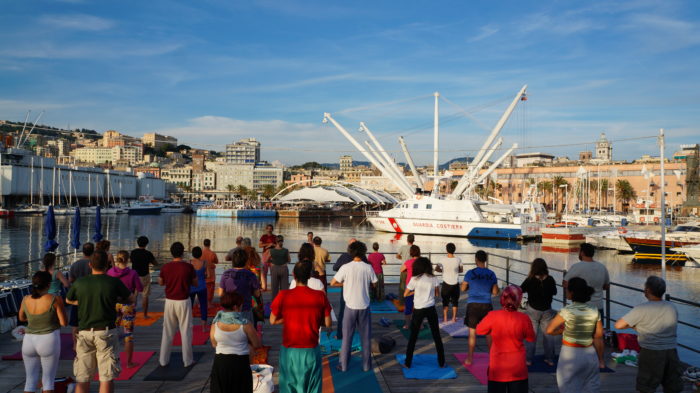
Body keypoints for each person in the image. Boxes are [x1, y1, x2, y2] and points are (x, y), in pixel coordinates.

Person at [66, 250, 133, 393]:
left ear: (90, 265)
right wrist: (117, 299)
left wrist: (83, 302)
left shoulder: (80, 282)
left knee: (83, 377)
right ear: (107, 265)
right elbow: (131, 298)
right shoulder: (113, 282)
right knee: (106, 377)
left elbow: (68, 299)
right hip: (106, 331)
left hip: (84, 332)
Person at [271, 260, 332, 393]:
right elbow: (328, 323)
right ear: (309, 276)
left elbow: (272, 320)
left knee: (288, 388)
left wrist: (288, 317)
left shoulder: (283, 295)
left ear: (293, 275)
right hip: (311, 350)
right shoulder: (320, 296)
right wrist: (315, 320)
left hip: (289, 351)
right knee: (312, 388)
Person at [614, 276, 683, 393]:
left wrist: (635, 326)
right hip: (671, 351)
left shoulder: (641, 309)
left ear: (648, 290)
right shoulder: (672, 307)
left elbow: (618, 325)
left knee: (647, 386)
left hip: (650, 351)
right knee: (672, 386)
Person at [546, 277, 604, 393]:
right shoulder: (594, 310)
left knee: (567, 386)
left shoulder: (567, 310)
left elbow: (549, 330)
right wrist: (601, 360)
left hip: (570, 353)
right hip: (590, 353)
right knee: (590, 387)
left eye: (567, 289)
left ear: (572, 293)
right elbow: (598, 335)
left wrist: (562, 330)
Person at [476, 285, 535, 393]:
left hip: (497, 368)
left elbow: (479, 330)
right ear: (519, 300)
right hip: (518, 367)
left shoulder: (492, 315)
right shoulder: (524, 318)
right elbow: (531, 338)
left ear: (502, 298)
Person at [331, 241, 377, 372]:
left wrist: (345, 284)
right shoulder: (368, 267)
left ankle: (343, 365)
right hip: (364, 306)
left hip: (350, 307)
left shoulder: (346, 267)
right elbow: (374, 283)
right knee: (365, 337)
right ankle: (366, 365)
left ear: (351, 252)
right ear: (363, 252)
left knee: (347, 338)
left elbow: (333, 283)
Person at [19, 271, 68, 393]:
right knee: (48, 381)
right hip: (48, 340)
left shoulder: (25, 299)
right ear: (48, 284)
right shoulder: (55, 299)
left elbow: (22, 318)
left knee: (30, 381)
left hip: (29, 340)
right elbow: (64, 323)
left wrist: (33, 319)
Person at [562, 242, 609, 365]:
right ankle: (601, 361)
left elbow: (565, 283)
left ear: (582, 253)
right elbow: (606, 286)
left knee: (578, 334)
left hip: (581, 306)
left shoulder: (577, 267)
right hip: (598, 306)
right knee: (598, 336)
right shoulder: (602, 267)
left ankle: (578, 360)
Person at [209, 292, 261, 393]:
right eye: (241, 305)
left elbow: (214, 343)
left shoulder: (215, 323)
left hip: (220, 363)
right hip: (240, 363)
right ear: (236, 307)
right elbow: (257, 344)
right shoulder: (245, 324)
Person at [158, 241, 198, 368]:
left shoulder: (166, 267)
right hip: (183, 301)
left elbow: (160, 282)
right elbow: (195, 283)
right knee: (186, 331)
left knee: (167, 331)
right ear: (183, 252)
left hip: (169, 301)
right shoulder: (188, 267)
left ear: (171, 253)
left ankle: (163, 360)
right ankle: (187, 360)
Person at [404, 257, 444, 368]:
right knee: (436, 335)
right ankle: (442, 362)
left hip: (418, 309)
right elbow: (437, 295)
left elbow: (405, 294)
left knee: (413, 336)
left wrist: (414, 293)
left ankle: (408, 363)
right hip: (431, 308)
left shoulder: (414, 279)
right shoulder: (433, 278)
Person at [460, 250, 499, 365]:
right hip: (487, 305)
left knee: (472, 332)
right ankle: (492, 358)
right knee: (489, 333)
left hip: (473, 305)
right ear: (486, 260)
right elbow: (495, 292)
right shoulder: (491, 274)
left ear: (476, 260)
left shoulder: (470, 273)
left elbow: (463, 289)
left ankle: (470, 358)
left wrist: (469, 287)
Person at [107, 250, 144, 369]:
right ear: (128, 260)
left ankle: (111, 360)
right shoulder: (133, 273)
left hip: (114, 305)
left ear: (116, 259)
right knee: (128, 334)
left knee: (113, 332)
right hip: (128, 305)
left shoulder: (110, 272)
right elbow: (140, 288)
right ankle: (128, 362)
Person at [520, 258, 557, 366]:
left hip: (533, 310)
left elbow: (521, 289)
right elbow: (554, 292)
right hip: (547, 310)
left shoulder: (530, 279)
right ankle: (550, 359)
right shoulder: (550, 279)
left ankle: (528, 359)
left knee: (532, 335)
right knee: (548, 335)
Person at [332, 238, 365, 339]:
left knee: (343, 311)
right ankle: (361, 334)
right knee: (360, 311)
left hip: (346, 286)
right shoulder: (363, 258)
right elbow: (369, 268)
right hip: (360, 288)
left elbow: (335, 268)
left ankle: (340, 334)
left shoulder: (344, 257)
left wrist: (343, 271)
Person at [219, 248, 262, 323]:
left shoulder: (226, 274)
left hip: (230, 311)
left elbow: (220, 294)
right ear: (245, 261)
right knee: (247, 332)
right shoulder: (250, 275)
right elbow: (257, 294)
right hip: (245, 309)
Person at [69, 242, 95, 346]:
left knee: (75, 323)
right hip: (91, 296)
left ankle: (75, 344)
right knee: (90, 321)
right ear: (93, 251)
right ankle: (89, 343)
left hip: (77, 296)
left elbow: (71, 280)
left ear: (83, 251)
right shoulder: (94, 265)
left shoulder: (75, 265)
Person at [130, 236, 157, 319]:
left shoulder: (133, 252)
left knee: (134, 295)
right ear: (146, 244)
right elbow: (155, 263)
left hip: (134, 276)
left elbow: (131, 261)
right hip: (145, 275)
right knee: (145, 295)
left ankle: (131, 312)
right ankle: (145, 315)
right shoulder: (148, 253)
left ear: (138, 243)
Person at [435, 243, 462, 322]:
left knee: (445, 301)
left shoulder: (442, 259)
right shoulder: (458, 259)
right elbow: (461, 270)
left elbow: (436, 268)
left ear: (447, 250)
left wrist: (443, 270)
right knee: (455, 302)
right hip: (455, 283)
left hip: (446, 283)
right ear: (454, 250)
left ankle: (445, 318)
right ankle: (454, 318)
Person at [399, 245, 420, 329]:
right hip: (420, 285)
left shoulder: (408, 262)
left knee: (408, 305)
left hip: (410, 285)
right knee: (418, 305)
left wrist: (408, 270)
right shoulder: (422, 262)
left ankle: (407, 324)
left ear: (411, 253)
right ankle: (419, 324)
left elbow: (401, 269)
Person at [189, 246, 209, 328]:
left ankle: (189, 325)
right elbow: (208, 275)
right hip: (202, 286)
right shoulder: (204, 263)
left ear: (193, 254)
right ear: (201, 254)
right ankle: (204, 327)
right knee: (203, 306)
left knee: (189, 306)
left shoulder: (190, 262)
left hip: (192, 287)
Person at [269, 235, 290, 300]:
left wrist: (272, 261)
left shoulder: (271, 250)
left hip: (274, 268)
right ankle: (284, 303)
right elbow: (289, 260)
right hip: (284, 268)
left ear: (276, 241)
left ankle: (274, 304)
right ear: (282, 241)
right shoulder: (286, 250)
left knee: (274, 288)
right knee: (284, 288)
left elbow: (266, 259)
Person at [259, 225, 277, 291]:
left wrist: (273, 245)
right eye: (268, 229)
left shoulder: (275, 237)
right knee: (264, 272)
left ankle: (273, 287)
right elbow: (260, 245)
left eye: (271, 229)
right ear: (266, 229)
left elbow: (278, 246)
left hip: (273, 257)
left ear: (272, 229)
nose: (269, 230)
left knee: (273, 273)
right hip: (265, 256)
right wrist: (267, 244)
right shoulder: (263, 237)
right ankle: (264, 287)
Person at [201, 239, 219, 305]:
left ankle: (202, 303)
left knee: (202, 290)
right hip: (211, 274)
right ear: (210, 244)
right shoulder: (212, 253)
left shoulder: (200, 253)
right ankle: (209, 303)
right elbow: (216, 261)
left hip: (202, 274)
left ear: (203, 244)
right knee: (210, 290)